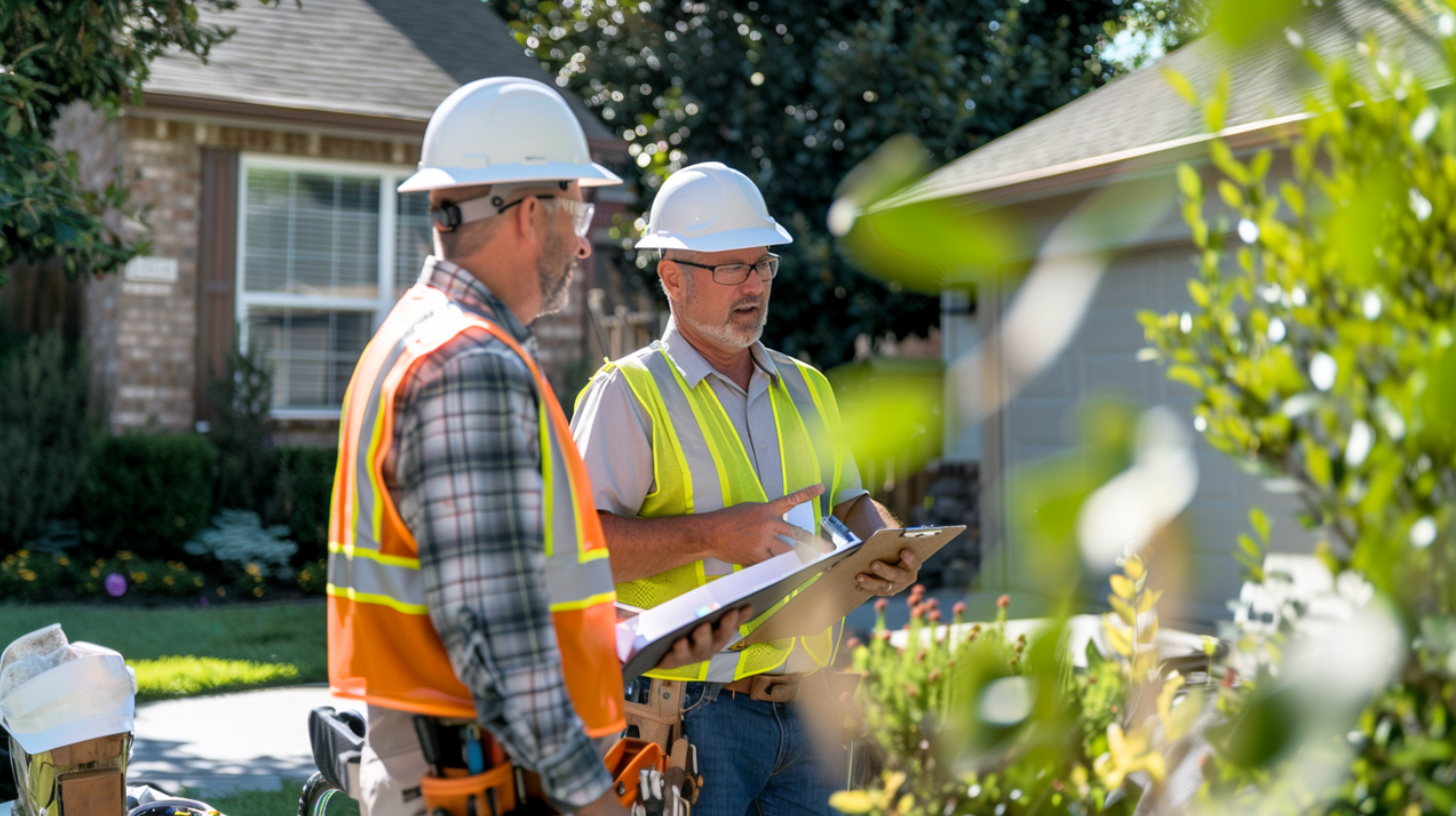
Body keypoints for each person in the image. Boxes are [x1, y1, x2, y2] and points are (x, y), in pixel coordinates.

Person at [325, 79, 749, 816]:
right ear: (529, 214)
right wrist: (593, 804)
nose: (585, 240)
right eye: (578, 209)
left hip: (443, 765)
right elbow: (497, 639)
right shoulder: (471, 365)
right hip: (480, 781)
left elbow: (497, 589)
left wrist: (623, 642)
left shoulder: (414, 337)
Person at [570, 162, 921, 816]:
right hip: (689, 714)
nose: (754, 283)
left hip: (807, 706)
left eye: (762, 264)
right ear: (672, 276)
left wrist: (884, 544)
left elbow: (848, 499)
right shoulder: (629, 393)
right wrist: (712, 535)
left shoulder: (808, 387)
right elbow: (578, 552)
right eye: (731, 267)